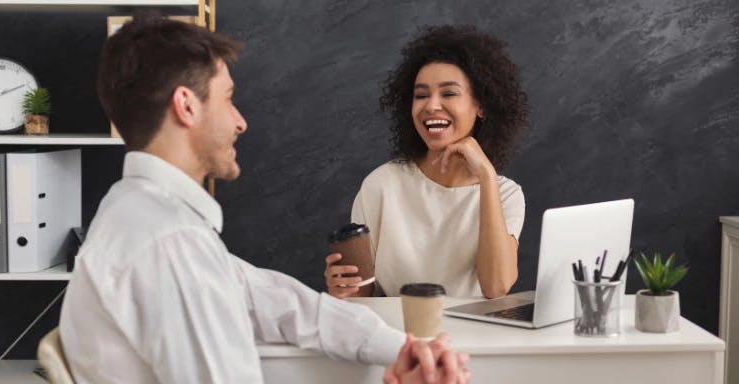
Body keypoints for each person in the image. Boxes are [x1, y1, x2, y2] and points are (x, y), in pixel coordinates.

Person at [59, 14, 469, 384]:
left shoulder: (143, 215)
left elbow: (279, 302)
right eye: (227, 97)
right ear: (186, 106)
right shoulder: (170, 244)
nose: (241, 120)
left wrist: (402, 347)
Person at [325, 25, 529, 299]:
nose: (431, 105)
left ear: (480, 105)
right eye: (421, 95)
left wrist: (486, 176)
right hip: (401, 336)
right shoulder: (381, 185)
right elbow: (365, 299)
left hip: (477, 339)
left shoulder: (505, 194)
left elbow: (496, 287)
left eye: (448, 93)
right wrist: (344, 288)